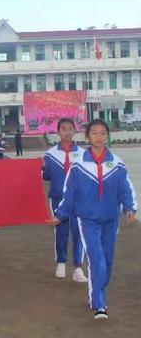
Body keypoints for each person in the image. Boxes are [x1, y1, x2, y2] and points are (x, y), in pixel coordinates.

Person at [47, 119, 137, 320]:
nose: (99, 137)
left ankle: (98, 290)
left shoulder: (117, 163)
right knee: (97, 261)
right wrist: (60, 216)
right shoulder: (79, 165)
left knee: (107, 261)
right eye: (94, 133)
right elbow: (69, 193)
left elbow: (125, 188)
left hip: (111, 220)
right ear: (88, 136)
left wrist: (130, 208)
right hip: (88, 221)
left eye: (103, 133)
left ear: (107, 136)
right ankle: (99, 303)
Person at [43, 118, 87, 282]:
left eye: (70, 128)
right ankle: (61, 262)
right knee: (61, 232)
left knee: (78, 232)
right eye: (63, 129)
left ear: (74, 131)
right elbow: (46, 175)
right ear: (58, 132)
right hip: (58, 199)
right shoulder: (50, 154)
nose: (67, 132)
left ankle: (78, 267)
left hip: (78, 200)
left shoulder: (83, 154)